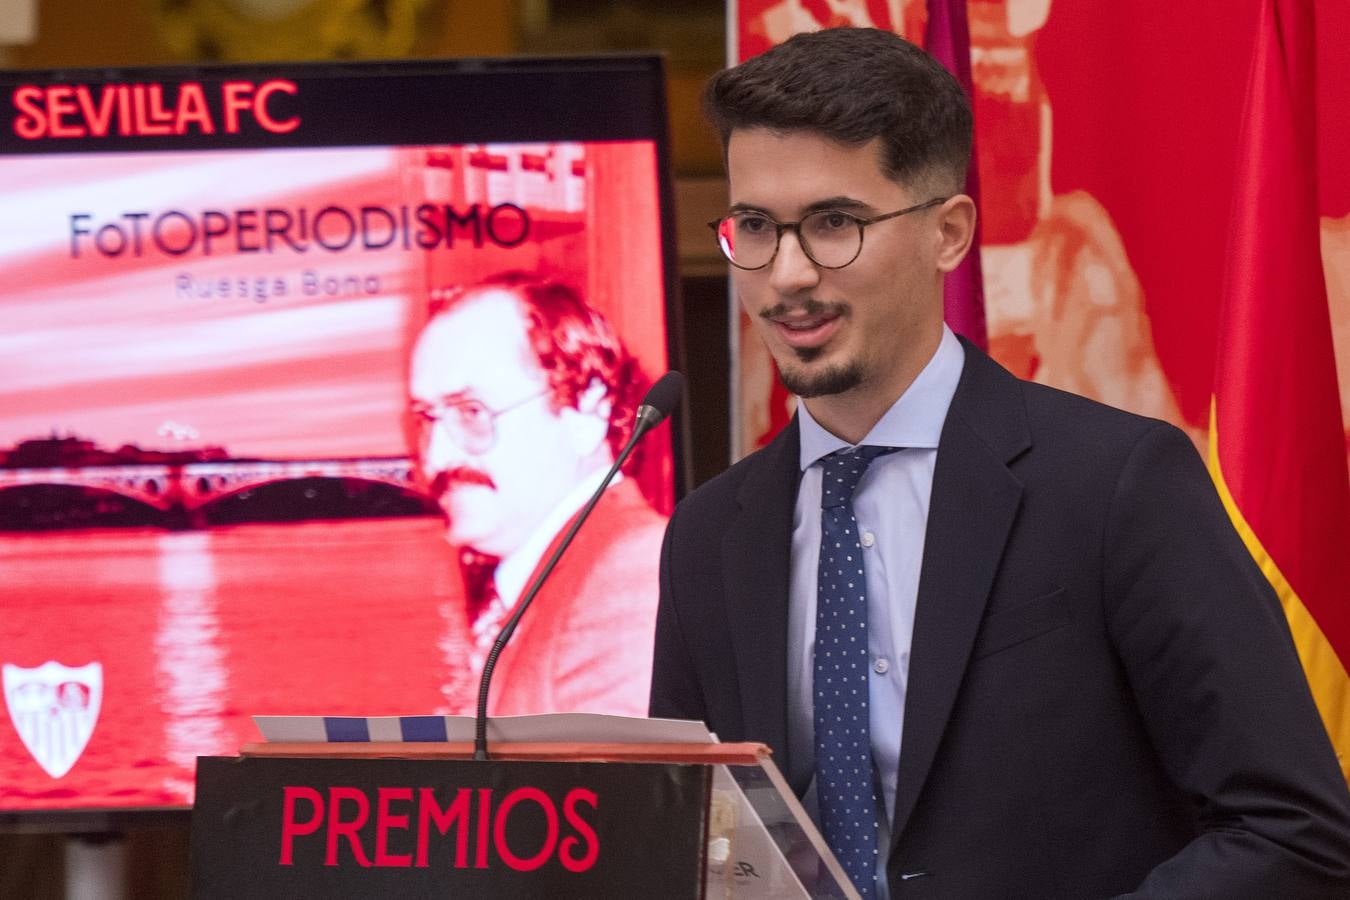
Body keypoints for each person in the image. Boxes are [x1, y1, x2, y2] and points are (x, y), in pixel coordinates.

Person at [649, 26, 1350, 899]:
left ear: (948, 234)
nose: (786, 274)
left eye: (834, 224)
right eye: (755, 226)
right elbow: (684, 842)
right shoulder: (710, 536)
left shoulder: (1117, 485)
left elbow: (1293, 831)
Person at [409, 271, 666, 718]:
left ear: (587, 410)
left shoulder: (634, 573)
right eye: (428, 419)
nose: (435, 458)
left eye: (472, 412)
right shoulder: (553, 580)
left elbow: (619, 788)